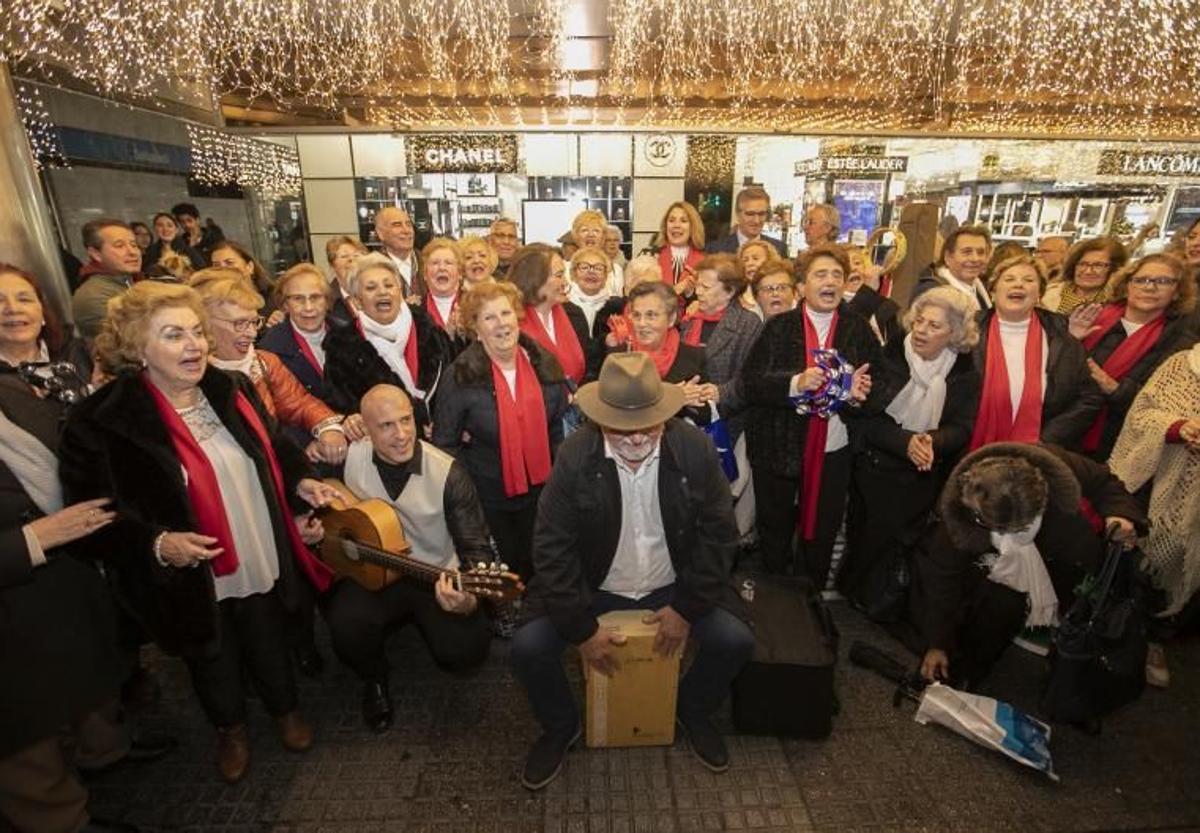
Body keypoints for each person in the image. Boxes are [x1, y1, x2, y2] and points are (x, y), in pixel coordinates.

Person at [59, 281, 340, 784]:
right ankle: (229, 727)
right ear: (137, 347)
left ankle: (286, 710)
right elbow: (89, 518)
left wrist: (305, 486)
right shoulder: (101, 418)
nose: (194, 346)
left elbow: (278, 452)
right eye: (173, 335)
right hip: (180, 569)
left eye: (196, 332)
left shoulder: (229, 387)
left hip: (255, 540)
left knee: (266, 629)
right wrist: (157, 544)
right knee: (209, 651)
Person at [510, 353, 755, 789]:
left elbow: (720, 535)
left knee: (735, 640)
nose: (638, 437)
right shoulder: (574, 455)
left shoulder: (694, 448)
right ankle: (561, 726)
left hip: (673, 584)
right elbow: (551, 549)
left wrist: (687, 608)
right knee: (528, 647)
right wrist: (580, 629)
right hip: (594, 586)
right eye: (625, 427)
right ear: (602, 419)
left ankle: (691, 708)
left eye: (649, 423)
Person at [0, 265, 139, 833]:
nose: (11, 308)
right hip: (23, 570)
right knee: (28, 719)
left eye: (22, 296)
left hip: (87, 548)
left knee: (94, 666)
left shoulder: (72, 367)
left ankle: (102, 755)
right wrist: (37, 537)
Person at [325, 385, 493, 732]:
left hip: (434, 576)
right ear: (365, 430)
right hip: (376, 571)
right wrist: (320, 507)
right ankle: (374, 678)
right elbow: (305, 474)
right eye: (386, 426)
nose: (401, 435)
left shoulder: (449, 473)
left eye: (406, 421)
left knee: (465, 651)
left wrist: (469, 600)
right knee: (344, 622)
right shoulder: (350, 453)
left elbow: (477, 549)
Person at [914, 443, 1145, 690]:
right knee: (1001, 608)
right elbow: (942, 583)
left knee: (1077, 627)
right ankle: (968, 675)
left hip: (1066, 554)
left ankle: (1070, 686)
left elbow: (1104, 482)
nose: (978, 520)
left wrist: (1119, 514)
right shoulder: (960, 514)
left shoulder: (1054, 465)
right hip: (989, 574)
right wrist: (937, 645)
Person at [840, 287, 981, 608]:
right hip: (876, 465)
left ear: (955, 333)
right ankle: (854, 598)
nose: (921, 330)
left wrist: (933, 441)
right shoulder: (888, 358)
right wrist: (906, 442)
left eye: (934, 326)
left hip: (924, 471)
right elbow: (863, 418)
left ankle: (882, 602)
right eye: (919, 321)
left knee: (902, 544)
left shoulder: (964, 372)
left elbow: (962, 426)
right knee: (867, 539)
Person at [743, 245, 877, 582]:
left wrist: (862, 394)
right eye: (820, 274)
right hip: (778, 445)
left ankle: (812, 600)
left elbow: (882, 378)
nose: (830, 281)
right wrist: (795, 383)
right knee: (774, 529)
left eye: (836, 275)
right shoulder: (779, 327)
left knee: (824, 527)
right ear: (801, 286)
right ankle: (775, 603)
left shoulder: (858, 328)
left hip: (834, 447)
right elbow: (751, 381)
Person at [432, 281, 568, 579]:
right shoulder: (460, 376)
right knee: (508, 570)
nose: (501, 324)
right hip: (489, 497)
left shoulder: (545, 365)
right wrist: (468, 493)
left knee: (543, 564)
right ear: (476, 329)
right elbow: (445, 443)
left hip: (543, 493)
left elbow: (557, 428)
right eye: (489, 317)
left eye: (506, 313)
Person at [1108, 344, 1200, 687]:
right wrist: (1177, 427)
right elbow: (1141, 413)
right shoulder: (1181, 364)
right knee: (1128, 557)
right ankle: (1103, 630)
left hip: (1195, 506)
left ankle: (1152, 639)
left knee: (1178, 564)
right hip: (1149, 480)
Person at [191, 270, 349, 465]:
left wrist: (328, 428)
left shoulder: (265, 362)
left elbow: (299, 403)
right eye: (239, 323)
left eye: (254, 322)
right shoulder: (190, 376)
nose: (251, 333)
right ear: (204, 324)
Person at [1067, 253, 1198, 460]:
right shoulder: (1088, 316)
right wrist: (1069, 341)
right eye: (1141, 280)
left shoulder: (1182, 343)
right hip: (1067, 431)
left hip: (1124, 445)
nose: (1149, 287)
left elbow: (1164, 405)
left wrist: (1114, 388)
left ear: (1176, 292)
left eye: (1163, 281)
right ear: (1127, 285)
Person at [968, 255, 1103, 451]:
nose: (1019, 285)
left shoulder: (1062, 338)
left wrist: (1048, 439)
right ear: (993, 291)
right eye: (1009, 279)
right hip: (971, 445)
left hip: (1040, 451)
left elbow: (1089, 398)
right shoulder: (966, 331)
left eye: (1029, 280)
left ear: (1039, 293)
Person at [323, 253, 450, 430]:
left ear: (399, 291)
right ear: (357, 301)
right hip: (386, 446)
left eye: (389, 285)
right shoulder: (342, 347)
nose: (382, 291)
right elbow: (343, 408)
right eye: (371, 288)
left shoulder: (427, 327)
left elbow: (454, 383)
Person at [682, 254, 762, 442]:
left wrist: (722, 392)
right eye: (698, 285)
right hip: (687, 419)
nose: (698, 292)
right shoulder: (689, 321)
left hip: (728, 424)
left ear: (729, 291)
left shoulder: (747, 323)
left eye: (706, 287)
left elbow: (752, 378)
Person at [608, 281, 709, 422]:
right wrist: (670, 397)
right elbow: (608, 411)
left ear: (671, 319)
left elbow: (704, 416)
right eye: (636, 315)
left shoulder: (693, 357)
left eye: (651, 315)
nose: (642, 323)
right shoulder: (618, 357)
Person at [509, 244, 590, 387]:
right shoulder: (511, 323)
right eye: (559, 276)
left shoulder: (573, 315)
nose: (565, 282)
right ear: (534, 279)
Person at [72, 219, 142, 343]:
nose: (133, 252)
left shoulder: (132, 282)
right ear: (95, 254)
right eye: (119, 246)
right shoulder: (94, 295)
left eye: (134, 245)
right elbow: (132, 342)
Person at [911, 225, 993, 310]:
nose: (975, 258)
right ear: (948, 257)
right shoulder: (932, 291)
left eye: (980, 253)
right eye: (966, 252)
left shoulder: (981, 289)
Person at [1040, 236, 1128, 315]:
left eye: (1098, 265)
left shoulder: (1118, 305)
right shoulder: (1048, 293)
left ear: (1116, 269)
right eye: (1082, 264)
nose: (1088, 271)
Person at [420, 237, 469, 356]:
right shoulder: (415, 311)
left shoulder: (473, 306)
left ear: (460, 273)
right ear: (425, 274)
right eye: (435, 263)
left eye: (448, 263)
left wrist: (466, 335)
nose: (442, 268)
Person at [209, 240, 280, 322]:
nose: (223, 269)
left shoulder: (275, 297)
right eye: (216, 265)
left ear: (249, 267)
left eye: (229, 263)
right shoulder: (213, 303)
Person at [844, 245, 902, 346]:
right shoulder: (832, 306)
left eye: (857, 263)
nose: (853, 268)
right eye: (845, 265)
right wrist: (868, 291)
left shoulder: (884, 306)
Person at [707, 186, 787, 257]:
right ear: (737, 214)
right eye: (750, 214)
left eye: (761, 214)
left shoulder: (778, 249)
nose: (756, 220)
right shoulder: (716, 249)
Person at [650, 201, 706, 302]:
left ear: (693, 227)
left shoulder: (704, 262)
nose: (676, 225)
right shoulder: (651, 257)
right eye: (671, 220)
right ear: (665, 226)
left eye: (683, 221)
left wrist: (690, 294)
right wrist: (675, 290)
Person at [567, 247, 624, 343]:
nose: (591, 272)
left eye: (598, 268)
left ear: (606, 276)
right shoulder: (564, 307)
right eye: (584, 267)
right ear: (574, 273)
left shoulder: (616, 306)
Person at [569, 209, 622, 296]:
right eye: (585, 230)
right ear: (575, 235)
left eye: (596, 230)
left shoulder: (616, 270)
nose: (590, 234)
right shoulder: (564, 269)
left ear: (603, 236)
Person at [374, 207, 423, 299]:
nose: (406, 231)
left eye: (408, 224)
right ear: (380, 233)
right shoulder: (372, 267)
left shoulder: (428, 262)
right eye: (397, 225)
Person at [324, 235, 368, 326]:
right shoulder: (327, 301)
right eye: (344, 256)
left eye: (356, 255)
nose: (351, 259)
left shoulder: (377, 291)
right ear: (332, 265)